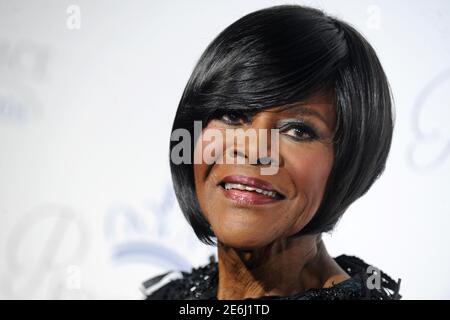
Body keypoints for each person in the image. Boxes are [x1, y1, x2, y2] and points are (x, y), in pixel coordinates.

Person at [142, 4, 401, 300]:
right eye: (232, 115)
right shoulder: (172, 296)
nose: (254, 151)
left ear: (349, 165)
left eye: (298, 131)